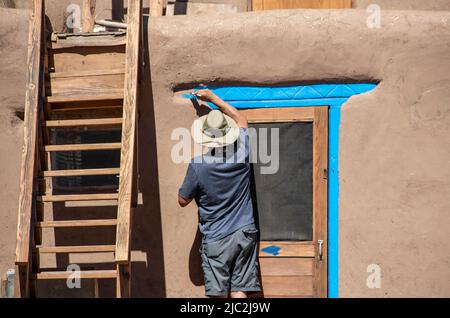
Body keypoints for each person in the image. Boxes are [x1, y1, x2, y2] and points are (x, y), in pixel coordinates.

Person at [178, 89, 260, 298]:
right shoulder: (242, 154)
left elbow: (182, 200)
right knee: (240, 289)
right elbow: (241, 119)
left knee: (218, 295)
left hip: (216, 236)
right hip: (244, 231)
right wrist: (214, 99)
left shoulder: (198, 166)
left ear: (205, 137)